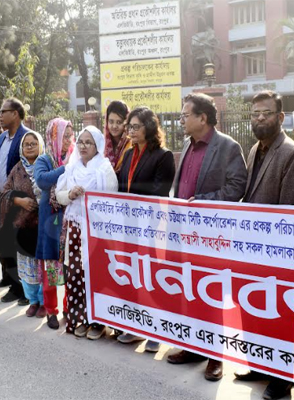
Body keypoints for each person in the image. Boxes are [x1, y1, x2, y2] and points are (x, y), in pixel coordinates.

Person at [168, 92, 247, 382]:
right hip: (184, 235)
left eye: (185, 114)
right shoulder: (188, 145)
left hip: (212, 237)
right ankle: (194, 346)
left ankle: (216, 357)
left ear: (203, 117)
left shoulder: (227, 147)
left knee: (212, 295)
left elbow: (237, 186)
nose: (181, 119)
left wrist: (201, 202)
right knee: (189, 292)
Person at [233, 91, 294, 400]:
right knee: (254, 310)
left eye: (266, 113)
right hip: (252, 248)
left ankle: (282, 379)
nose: (259, 118)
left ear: (280, 117)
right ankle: (260, 366)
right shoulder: (254, 150)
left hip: (276, 252)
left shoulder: (291, 153)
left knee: (279, 316)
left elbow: (287, 210)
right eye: (254, 114)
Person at [115, 106, 175, 352]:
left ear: (149, 127)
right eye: (129, 127)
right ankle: (134, 327)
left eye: (135, 126)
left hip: (152, 228)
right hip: (129, 228)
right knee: (133, 276)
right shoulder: (128, 155)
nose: (130, 131)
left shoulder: (163, 156)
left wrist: (132, 200)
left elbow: (159, 191)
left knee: (152, 279)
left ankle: (156, 331)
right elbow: (121, 187)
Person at [55, 126, 118, 337]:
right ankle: (78, 319)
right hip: (75, 229)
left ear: (97, 146)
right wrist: (70, 195)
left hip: (97, 232)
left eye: (88, 142)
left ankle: (98, 322)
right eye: (80, 141)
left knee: (97, 275)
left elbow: (112, 201)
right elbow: (58, 195)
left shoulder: (104, 169)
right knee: (75, 274)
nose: (83, 146)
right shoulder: (71, 168)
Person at [34, 118, 75, 330]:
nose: (70, 140)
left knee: (70, 267)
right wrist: (65, 168)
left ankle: (69, 307)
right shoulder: (45, 159)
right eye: (65, 136)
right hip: (51, 221)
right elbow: (42, 180)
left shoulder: (75, 156)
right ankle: (51, 310)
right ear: (54, 136)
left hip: (70, 220)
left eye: (70, 135)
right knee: (51, 269)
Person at [0, 131, 46, 316]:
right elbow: (4, 193)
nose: (29, 146)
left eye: (33, 143)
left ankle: (45, 302)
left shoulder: (47, 165)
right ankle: (33, 300)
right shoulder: (17, 169)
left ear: (40, 145)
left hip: (43, 226)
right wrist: (19, 201)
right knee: (28, 268)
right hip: (23, 227)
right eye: (26, 144)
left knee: (44, 267)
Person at [0, 98, 30, 305]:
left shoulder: (26, 137)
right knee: (5, 244)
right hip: (2, 198)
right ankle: (14, 285)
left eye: (3, 111)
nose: (0, 115)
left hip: (20, 201)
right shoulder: (2, 139)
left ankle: (23, 289)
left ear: (15, 113)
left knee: (21, 246)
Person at [104, 100, 132, 172]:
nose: (114, 126)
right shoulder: (101, 145)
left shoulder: (132, 145)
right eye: (111, 122)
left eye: (119, 122)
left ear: (126, 123)